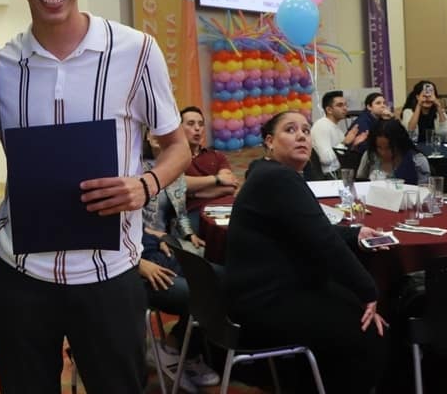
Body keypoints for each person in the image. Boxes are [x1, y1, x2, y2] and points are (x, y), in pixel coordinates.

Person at [0, 0, 191, 393]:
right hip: (21, 274)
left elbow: (177, 146)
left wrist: (145, 185)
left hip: (110, 275)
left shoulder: (136, 51)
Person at [225, 111, 389, 394]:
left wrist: (355, 233)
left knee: (346, 302)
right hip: (265, 302)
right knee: (369, 329)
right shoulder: (279, 179)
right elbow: (325, 242)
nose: (302, 135)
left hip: (256, 291)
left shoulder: (267, 173)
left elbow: (306, 229)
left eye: (305, 130)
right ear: (269, 142)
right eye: (290, 130)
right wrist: (369, 291)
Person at [139, 172, 219, 392]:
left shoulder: (132, 170)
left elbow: (133, 222)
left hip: (156, 250)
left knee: (222, 279)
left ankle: (177, 346)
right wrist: (137, 263)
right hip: (136, 270)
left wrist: (157, 235)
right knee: (205, 294)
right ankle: (179, 350)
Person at [181, 106, 238, 232]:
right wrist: (217, 179)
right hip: (195, 211)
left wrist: (193, 193)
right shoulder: (175, 158)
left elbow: (230, 186)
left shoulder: (217, 155)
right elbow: (181, 184)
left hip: (225, 205)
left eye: (200, 124)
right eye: (191, 124)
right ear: (179, 129)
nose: (197, 128)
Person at [310, 90, 367, 179]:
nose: (345, 108)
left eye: (345, 105)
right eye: (340, 105)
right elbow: (326, 159)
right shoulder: (322, 126)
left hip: (339, 174)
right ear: (329, 110)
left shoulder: (336, 128)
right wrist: (345, 143)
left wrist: (353, 144)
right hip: (328, 177)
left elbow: (341, 153)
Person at [357, 119, 430, 184]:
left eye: (389, 148)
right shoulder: (370, 156)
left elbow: (424, 191)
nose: (383, 152)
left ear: (400, 144)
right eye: (379, 147)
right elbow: (360, 182)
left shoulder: (417, 160)